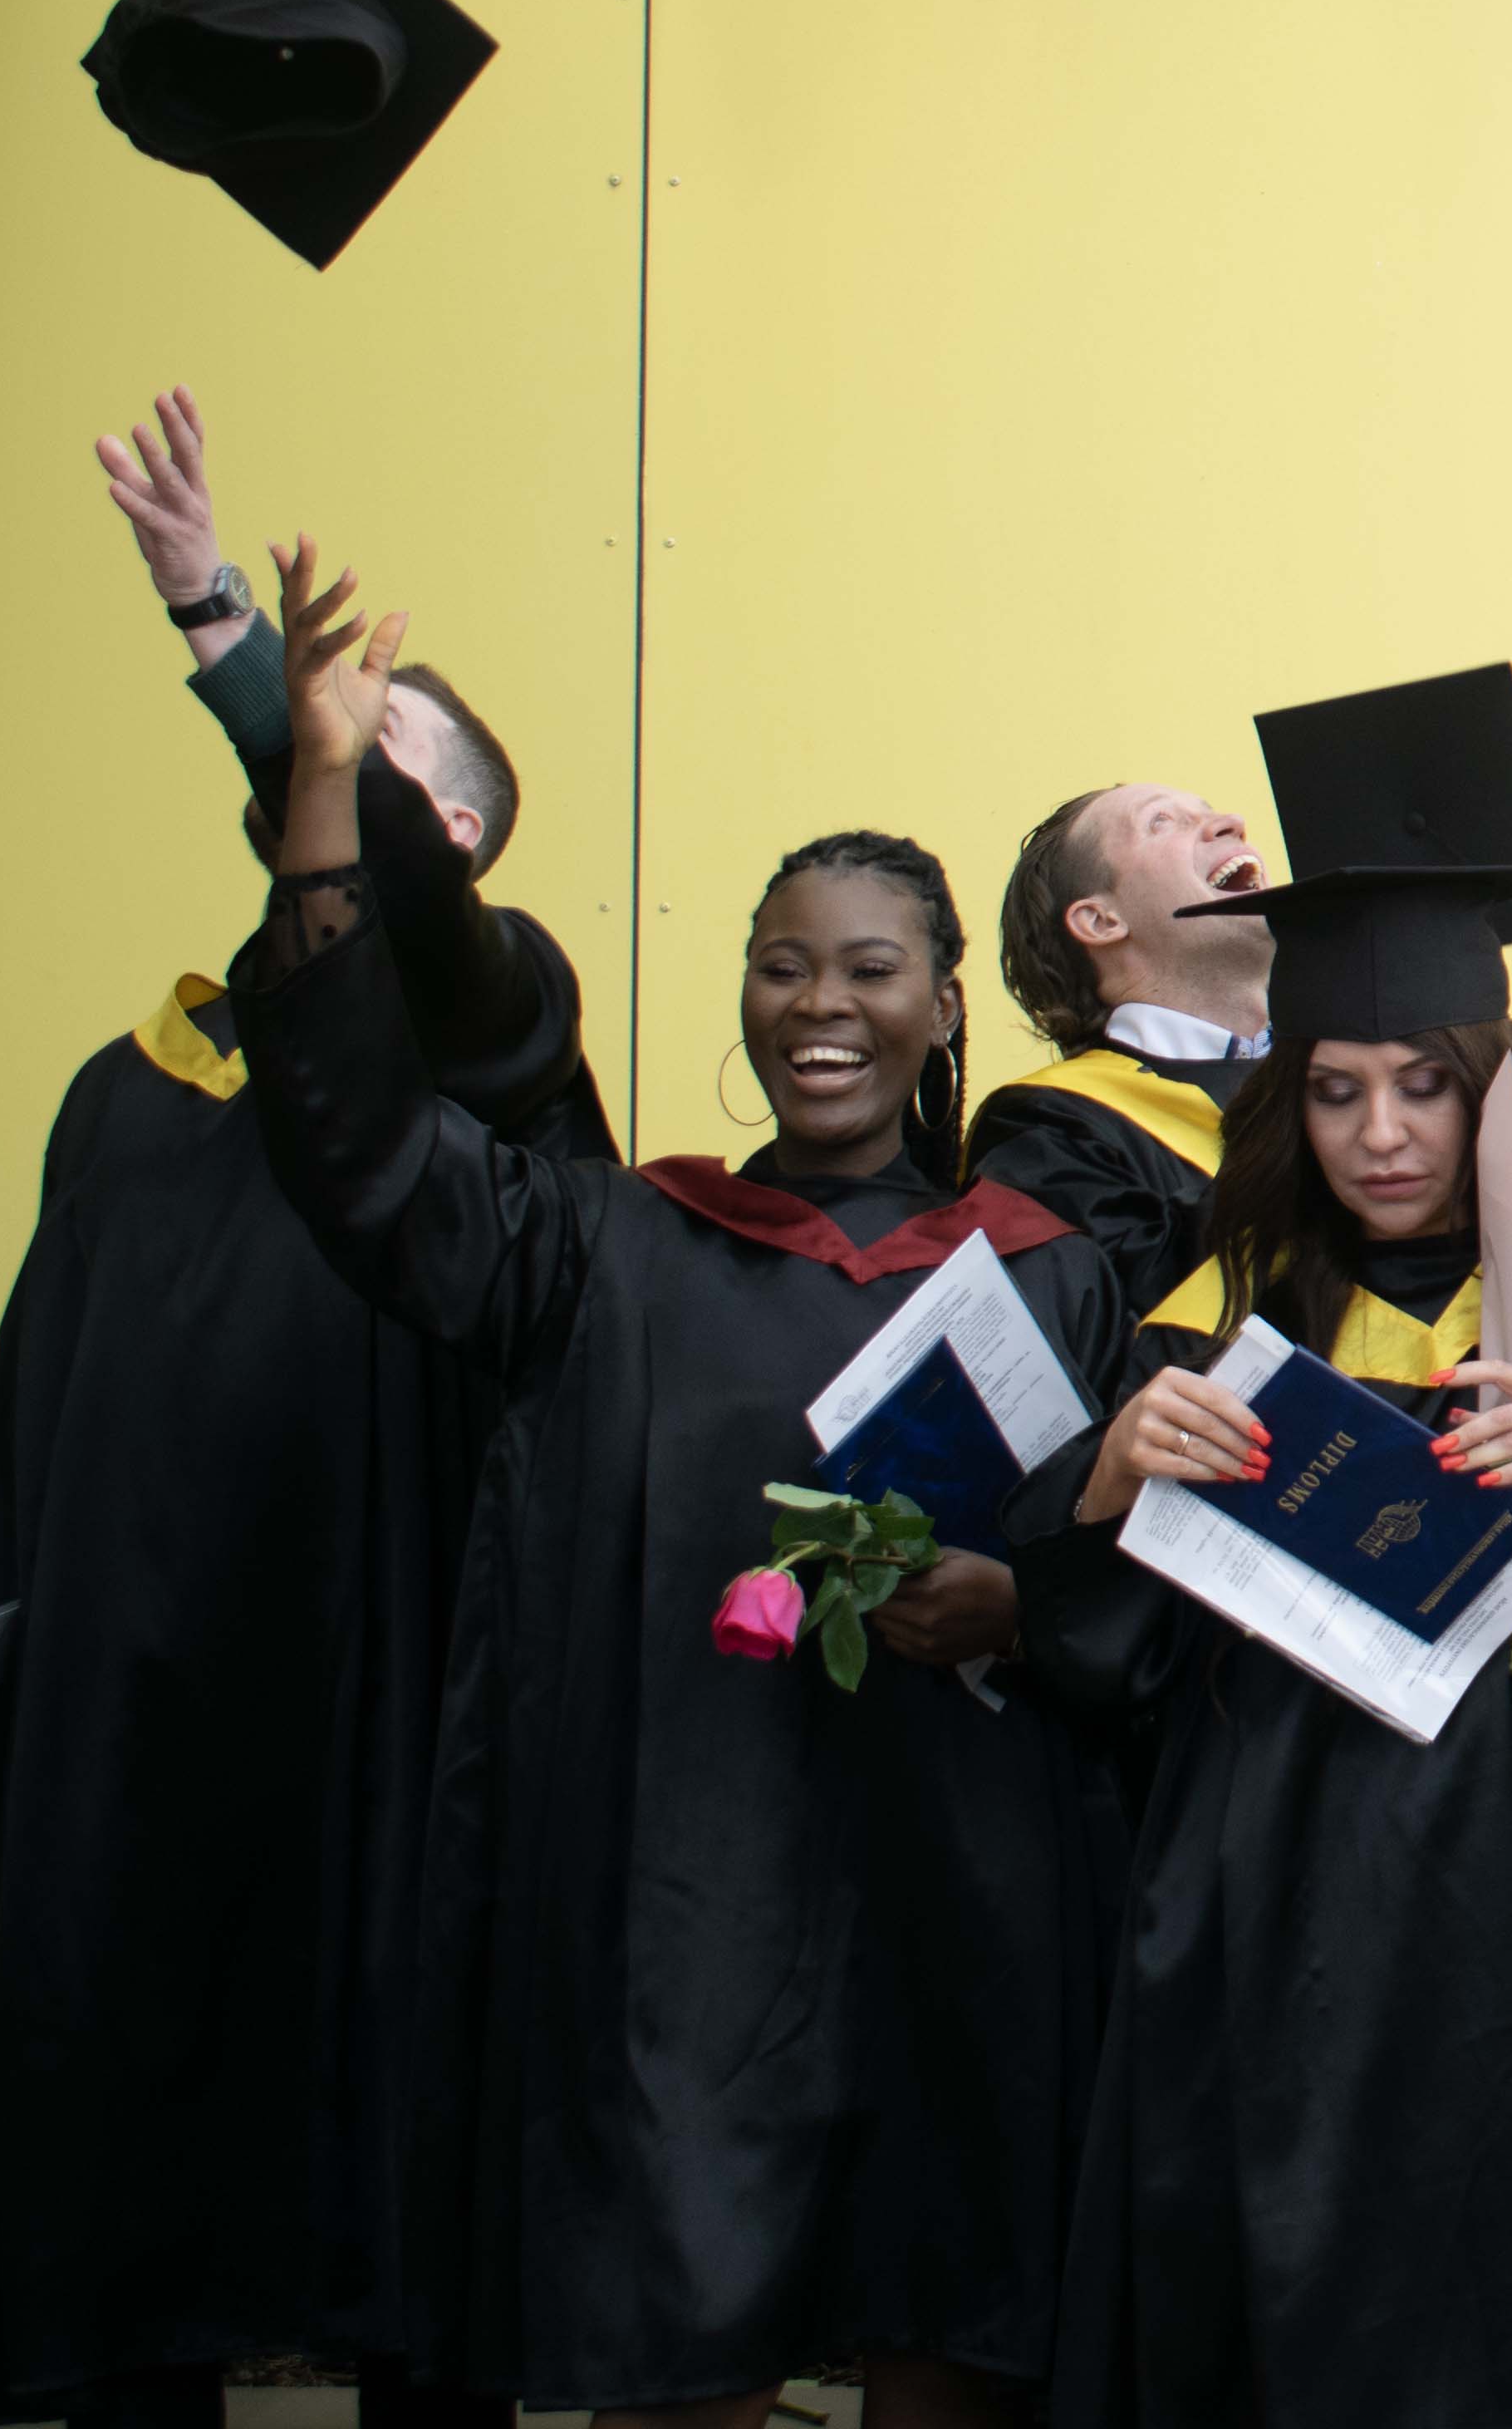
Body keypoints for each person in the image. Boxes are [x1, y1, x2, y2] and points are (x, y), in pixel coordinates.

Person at [225, 545, 1127, 2429]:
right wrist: (319, 787)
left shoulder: (1047, 1271)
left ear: (944, 1004)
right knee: (680, 2328)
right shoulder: (616, 1242)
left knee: (954, 2314)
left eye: (868, 970)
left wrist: (1022, 1605)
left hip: (969, 1898)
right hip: (691, 1902)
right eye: (781, 966)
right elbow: (362, 1147)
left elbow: (1135, 1580)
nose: (819, 1005)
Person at [0, 400, 599, 2429]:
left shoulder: (495, 1038)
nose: (321, 758)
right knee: (121, 2215)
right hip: (133, 1719)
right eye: (320, 739)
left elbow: (385, 921)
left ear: (452, 839)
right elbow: (30, 1405)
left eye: (366, 747)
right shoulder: (131, 1082)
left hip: (383, 1705)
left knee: (400, 2202)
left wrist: (233, 648)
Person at [1005, 864, 1512, 2429]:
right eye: (1334, 1092)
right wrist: (1108, 1479)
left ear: (1493, 1089)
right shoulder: (1221, 1321)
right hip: (1286, 1911)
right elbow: (1101, 1663)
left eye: (1423, 1088)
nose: (1380, 1134)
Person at [968, 782, 1277, 1322]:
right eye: (1162, 821)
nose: (1231, 822)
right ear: (1101, 920)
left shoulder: (1359, 1065)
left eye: (1205, 811)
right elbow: (1134, 1333)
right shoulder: (1048, 1133)